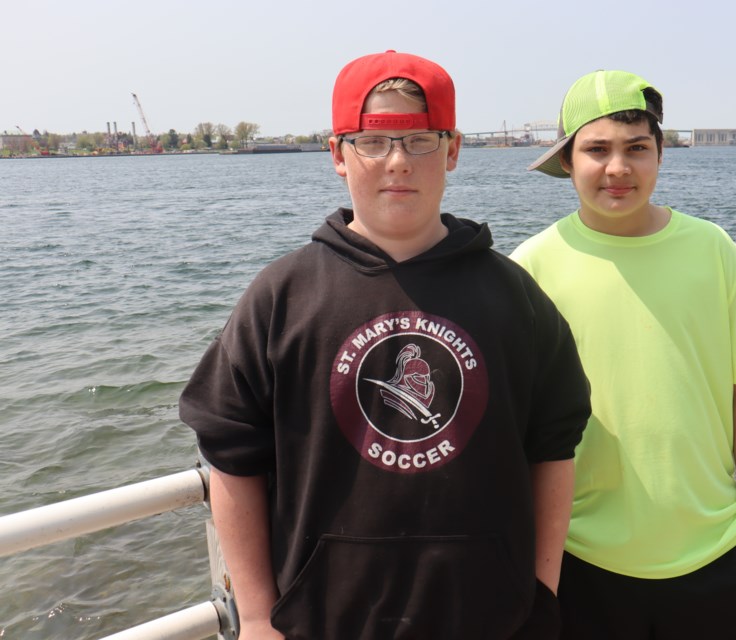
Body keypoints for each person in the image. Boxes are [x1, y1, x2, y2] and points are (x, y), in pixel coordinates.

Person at [179, 50, 590, 640]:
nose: (398, 162)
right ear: (338, 155)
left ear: (453, 149)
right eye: (373, 142)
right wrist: (260, 617)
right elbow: (231, 457)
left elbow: (554, 448)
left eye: (420, 140)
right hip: (322, 621)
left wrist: (541, 593)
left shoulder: (514, 297)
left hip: (492, 619)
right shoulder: (281, 297)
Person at [510, 70, 736, 639]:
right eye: (597, 150)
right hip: (581, 558)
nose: (618, 168)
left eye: (637, 148)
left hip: (718, 552)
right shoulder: (529, 268)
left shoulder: (715, 251)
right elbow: (519, 430)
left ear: (660, 154)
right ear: (567, 160)